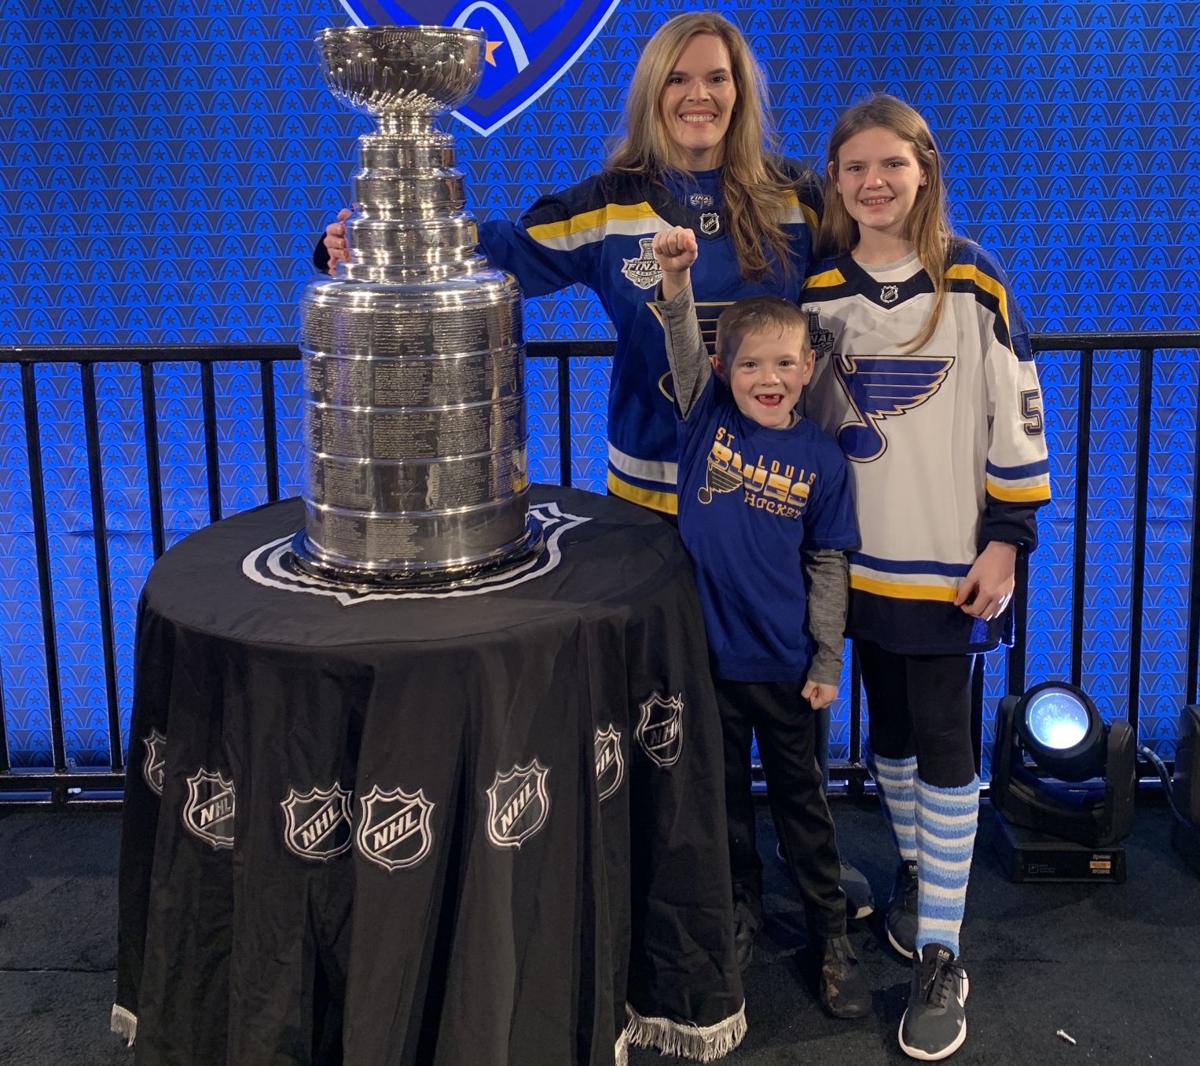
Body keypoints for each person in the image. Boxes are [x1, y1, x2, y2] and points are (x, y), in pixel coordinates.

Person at [314, 11, 876, 918]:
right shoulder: (611, 199)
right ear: (653, 92)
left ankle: (802, 876)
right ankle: (687, 883)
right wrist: (363, 240)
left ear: (743, 91)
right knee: (672, 704)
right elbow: (498, 250)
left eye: (718, 79)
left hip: (773, 506)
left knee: (780, 699)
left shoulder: (795, 196)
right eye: (679, 79)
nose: (700, 95)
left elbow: (877, 272)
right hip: (652, 499)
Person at [655, 95, 1052, 1061]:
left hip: (948, 562)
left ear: (926, 166)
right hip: (849, 562)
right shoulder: (820, 286)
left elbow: (1019, 409)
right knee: (896, 744)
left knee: (947, 742)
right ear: (833, 181)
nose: (872, 184)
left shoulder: (974, 279)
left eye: (891, 166)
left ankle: (942, 956)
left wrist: (1008, 535)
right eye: (852, 169)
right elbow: (772, 389)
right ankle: (921, 879)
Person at [651, 225, 870, 1020]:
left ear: (808, 369)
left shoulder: (822, 460)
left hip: (784, 668)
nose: (768, 377)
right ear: (723, 372)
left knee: (803, 808)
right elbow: (680, 345)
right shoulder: (704, 421)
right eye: (750, 363)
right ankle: (736, 914)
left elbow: (829, 566)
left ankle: (830, 932)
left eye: (784, 362)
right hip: (710, 665)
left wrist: (827, 660)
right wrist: (676, 285)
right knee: (722, 808)